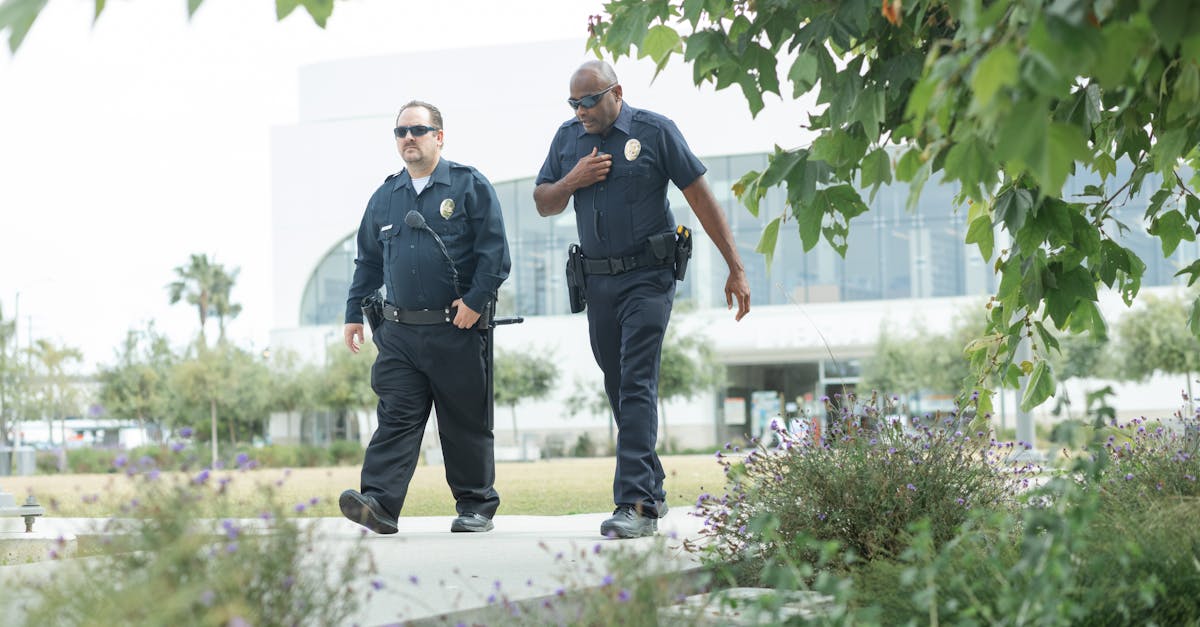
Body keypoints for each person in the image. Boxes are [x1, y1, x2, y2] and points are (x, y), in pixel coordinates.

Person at [533, 61, 751, 538]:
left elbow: (700, 197)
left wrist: (734, 266)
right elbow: (544, 201)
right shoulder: (568, 139)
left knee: (634, 382)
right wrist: (574, 180)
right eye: (573, 103)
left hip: (649, 279)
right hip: (597, 283)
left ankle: (635, 505)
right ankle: (650, 486)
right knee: (617, 383)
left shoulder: (655, 131)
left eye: (589, 100)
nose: (581, 111)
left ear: (616, 93)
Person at [340, 100, 511, 535]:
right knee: (396, 417)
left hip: (457, 328)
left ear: (439, 135)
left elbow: (495, 254)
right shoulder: (385, 198)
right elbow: (367, 262)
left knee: (463, 422)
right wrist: (353, 314)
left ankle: (475, 505)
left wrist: (475, 301)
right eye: (400, 132)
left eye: (417, 130)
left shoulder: (470, 186)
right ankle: (378, 502)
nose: (408, 138)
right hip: (398, 333)